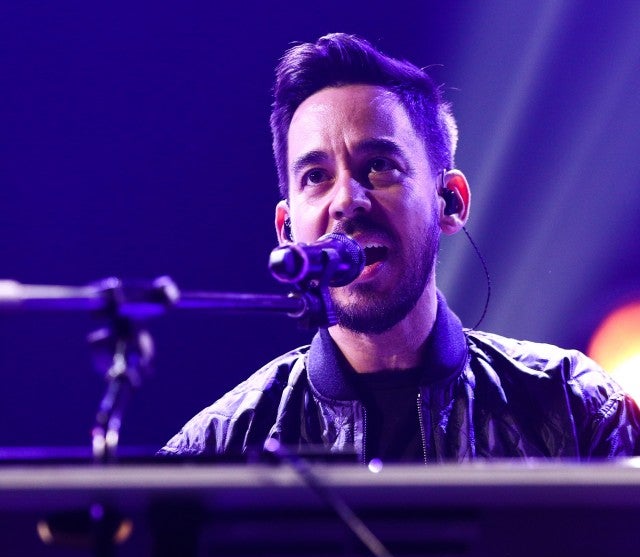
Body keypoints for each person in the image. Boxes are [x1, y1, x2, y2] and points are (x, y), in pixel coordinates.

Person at [161, 33, 640, 462]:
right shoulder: (216, 448)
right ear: (287, 230)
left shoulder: (577, 407)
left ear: (449, 201)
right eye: (316, 176)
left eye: (379, 165)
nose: (346, 200)